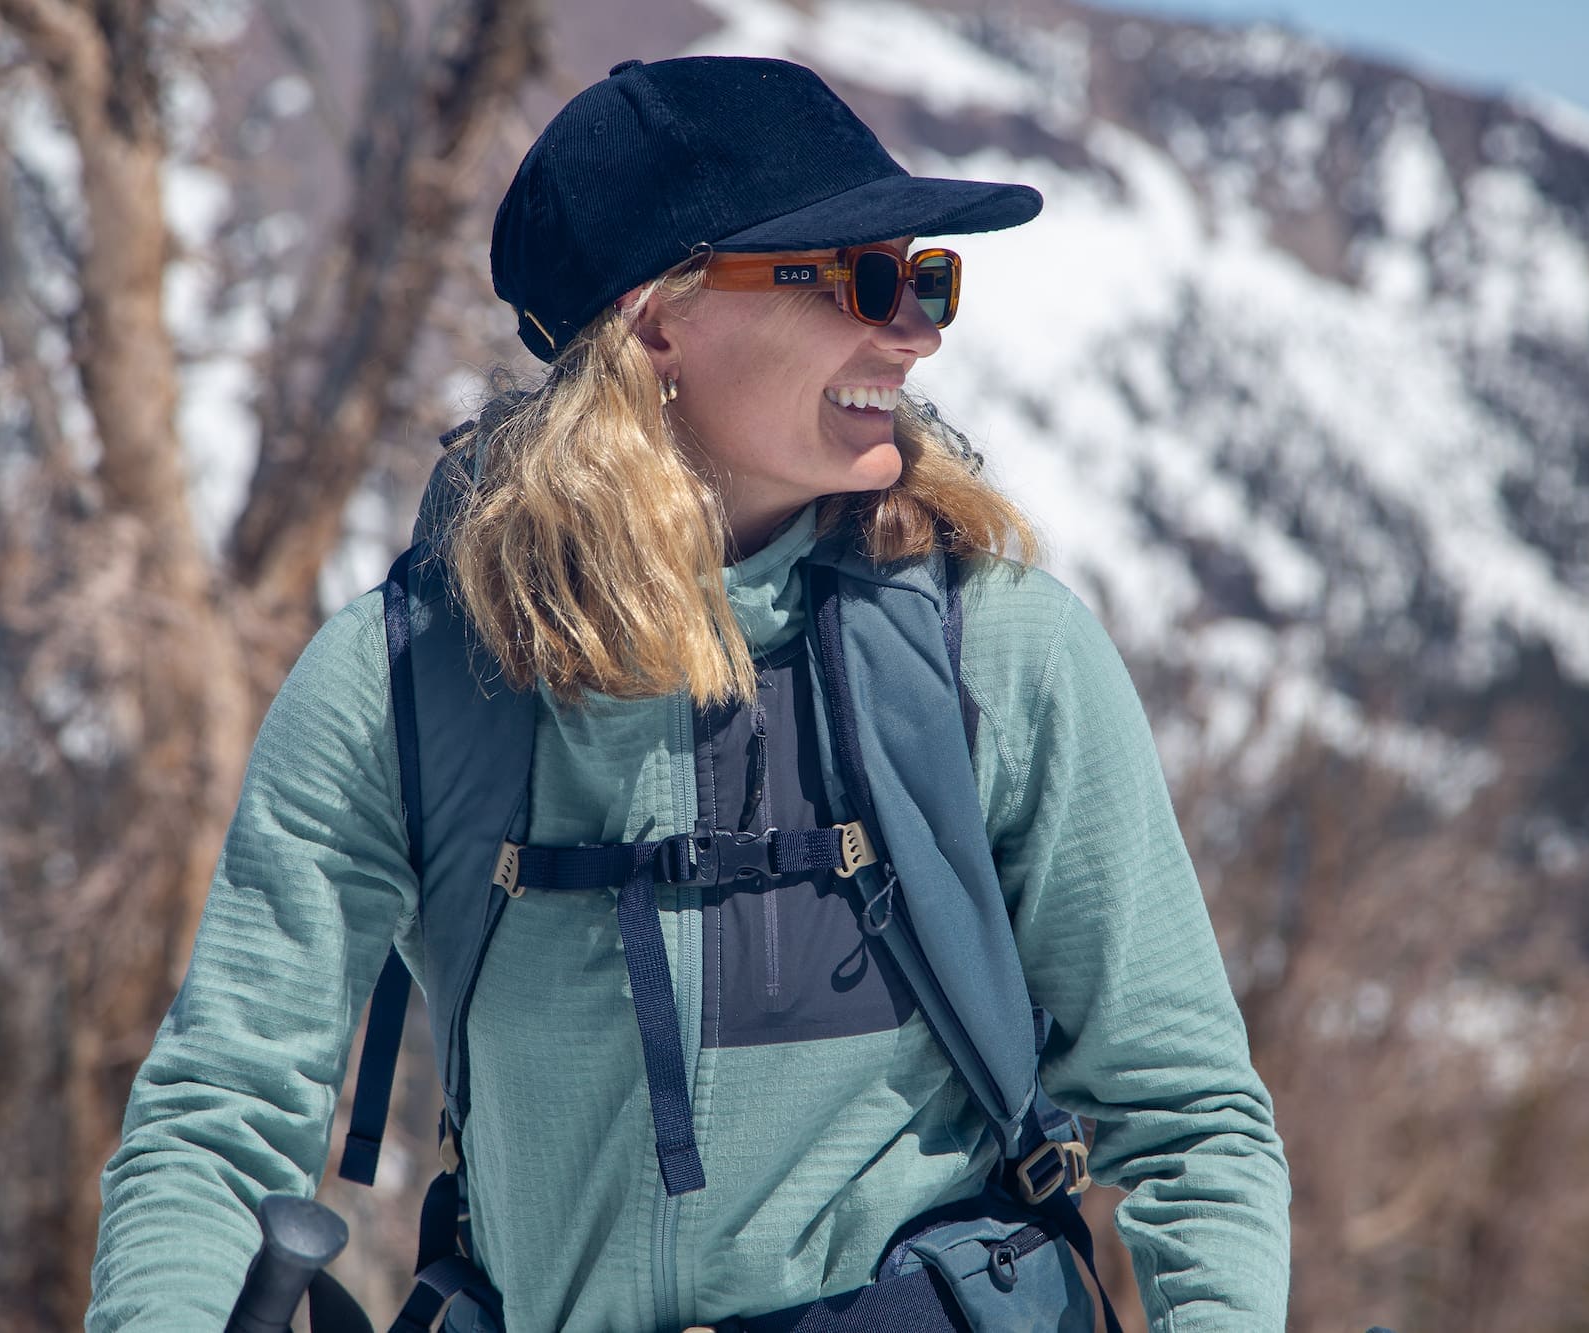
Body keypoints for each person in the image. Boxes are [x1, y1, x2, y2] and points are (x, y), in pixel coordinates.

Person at [87, 55, 1290, 1333]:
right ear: (658, 321)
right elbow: (215, 1119)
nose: (920, 329)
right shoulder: (408, 679)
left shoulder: (998, 652)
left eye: (926, 278)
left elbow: (1188, 1114)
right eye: (863, 279)